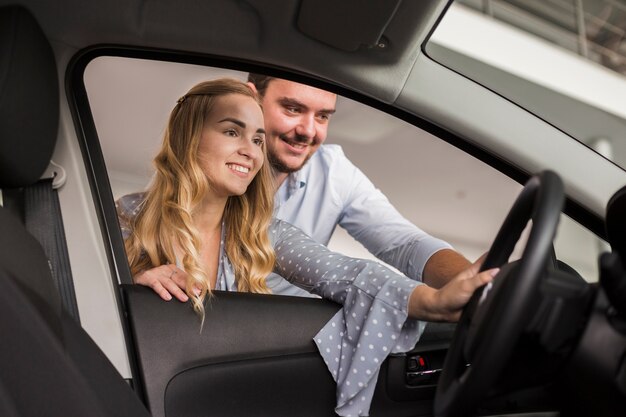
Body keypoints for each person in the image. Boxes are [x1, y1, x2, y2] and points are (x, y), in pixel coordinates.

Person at [117, 78, 497, 417]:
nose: (251, 152)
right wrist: (133, 280)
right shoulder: (126, 216)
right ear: (189, 134)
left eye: (257, 140)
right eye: (233, 132)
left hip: (233, 382)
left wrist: (435, 300)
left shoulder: (266, 231)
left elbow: (350, 272)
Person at [246, 74, 473, 297]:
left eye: (322, 116)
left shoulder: (332, 171)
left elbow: (405, 243)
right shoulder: (212, 165)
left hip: (285, 327)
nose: (308, 130)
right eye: (293, 109)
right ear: (250, 99)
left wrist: (474, 286)